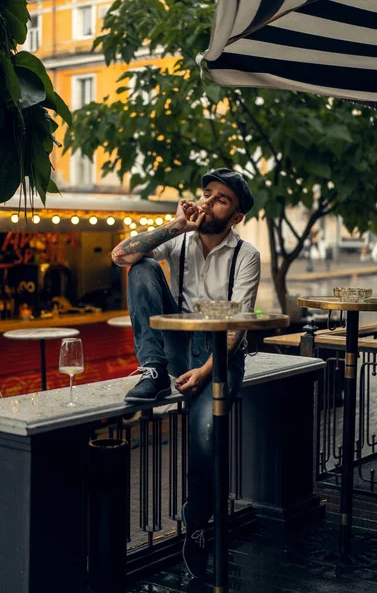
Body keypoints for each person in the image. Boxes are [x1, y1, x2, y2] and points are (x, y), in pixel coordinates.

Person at [111, 168, 260, 579]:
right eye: (208, 193)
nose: (209, 202)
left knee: (206, 439)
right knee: (140, 268)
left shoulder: (246, 254)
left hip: (218, 357)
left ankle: (196, 524)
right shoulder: (178, 240)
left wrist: (205, 370)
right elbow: (120, 256)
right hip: (176, 348)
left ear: (236, 216)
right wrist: (175, 224)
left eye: (222, 199)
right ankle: (153, 367)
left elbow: (238, 325)